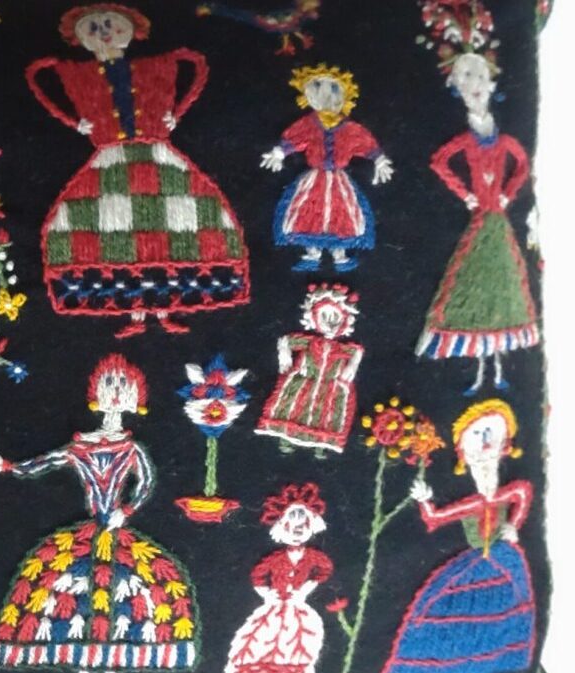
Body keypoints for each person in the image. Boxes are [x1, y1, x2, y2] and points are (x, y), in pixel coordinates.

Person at [28, 4, 249, 337]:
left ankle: (163, 310)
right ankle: (136, 314)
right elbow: (40, 73)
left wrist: (173, 116)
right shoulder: (81, 73)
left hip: (158, 157)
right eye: (93, 28)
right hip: (110, 162)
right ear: (79, 39)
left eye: (111, 24)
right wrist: (78, 123)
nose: (104, 32)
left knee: (175, 225)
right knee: (107, 233)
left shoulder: (154, 66)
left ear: (135, 29)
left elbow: (192, 63)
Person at [0, 354, 199, 671]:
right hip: (89, 533)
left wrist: (127, 509)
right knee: (52, 581)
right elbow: (48, 461)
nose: (116, 390)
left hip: (115, 527)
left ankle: (118, 656)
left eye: (124, 384)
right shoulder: (82, 446)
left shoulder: (130, 448)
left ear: (136, 397)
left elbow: (146, 481)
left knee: (146, 586)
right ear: (97, 392)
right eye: (110, 383)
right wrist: (8, 466)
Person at [415, 51, 538, 394]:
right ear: (456, 86)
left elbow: (522, 164)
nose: (476, 84)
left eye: (480, 76)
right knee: (475, 290)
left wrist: (508, 194)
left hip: (496, 219)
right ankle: (482, 374)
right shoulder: (467, 141)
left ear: (492, 84)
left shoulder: (504, 139)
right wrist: (466, 195)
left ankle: (495, 373)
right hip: (482, 215)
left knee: (501, 289)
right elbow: (440, 161)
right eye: (466, 77)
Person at [384, 400, 536, 673]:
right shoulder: (474, 503)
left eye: (492, 433)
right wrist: (425, 500)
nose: (486, 442)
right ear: (463, 449)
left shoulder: (507, 491)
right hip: (475, 565)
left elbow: (523, 494)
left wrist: (513, 526)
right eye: (478, 434)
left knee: (509, 609)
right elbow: (436, 518)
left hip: (504, 558)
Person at [262, 64, 393, 272]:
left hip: (339, 181)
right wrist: (279, 153)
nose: (325, 95)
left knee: (341, 213)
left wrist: (379, 160)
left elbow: (364, 143)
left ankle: (339, 254)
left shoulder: (349, 128)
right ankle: (312, 252)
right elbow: (296, 138)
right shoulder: (309, 124)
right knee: (308, 213)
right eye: (317, 87)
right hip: (315, 180)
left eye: (332, 88)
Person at [225, 484, 333, 673]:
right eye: (291, 528)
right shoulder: (277, 558)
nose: (297, 533)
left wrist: (308, 587)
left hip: (297, 605)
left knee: (298, 636)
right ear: (281, 528)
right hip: (275, 605)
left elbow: (325, 569)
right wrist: (267, 594)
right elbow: (258, 576)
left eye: (302, 528)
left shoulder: (312, 557)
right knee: (265, 635)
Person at [256, 284, 363, 455]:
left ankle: (322, 444)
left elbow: (357, 352)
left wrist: (352, 365)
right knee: (293, 409)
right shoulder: (311, 342)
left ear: (344, 320)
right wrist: (285, 356)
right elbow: (287, 341)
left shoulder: (341, 348)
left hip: (331, 387)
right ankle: (285, 436)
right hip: (304, 382)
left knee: (326, 415)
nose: (329, 324)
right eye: (324, 318)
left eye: (335, 319)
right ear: (314, 317)